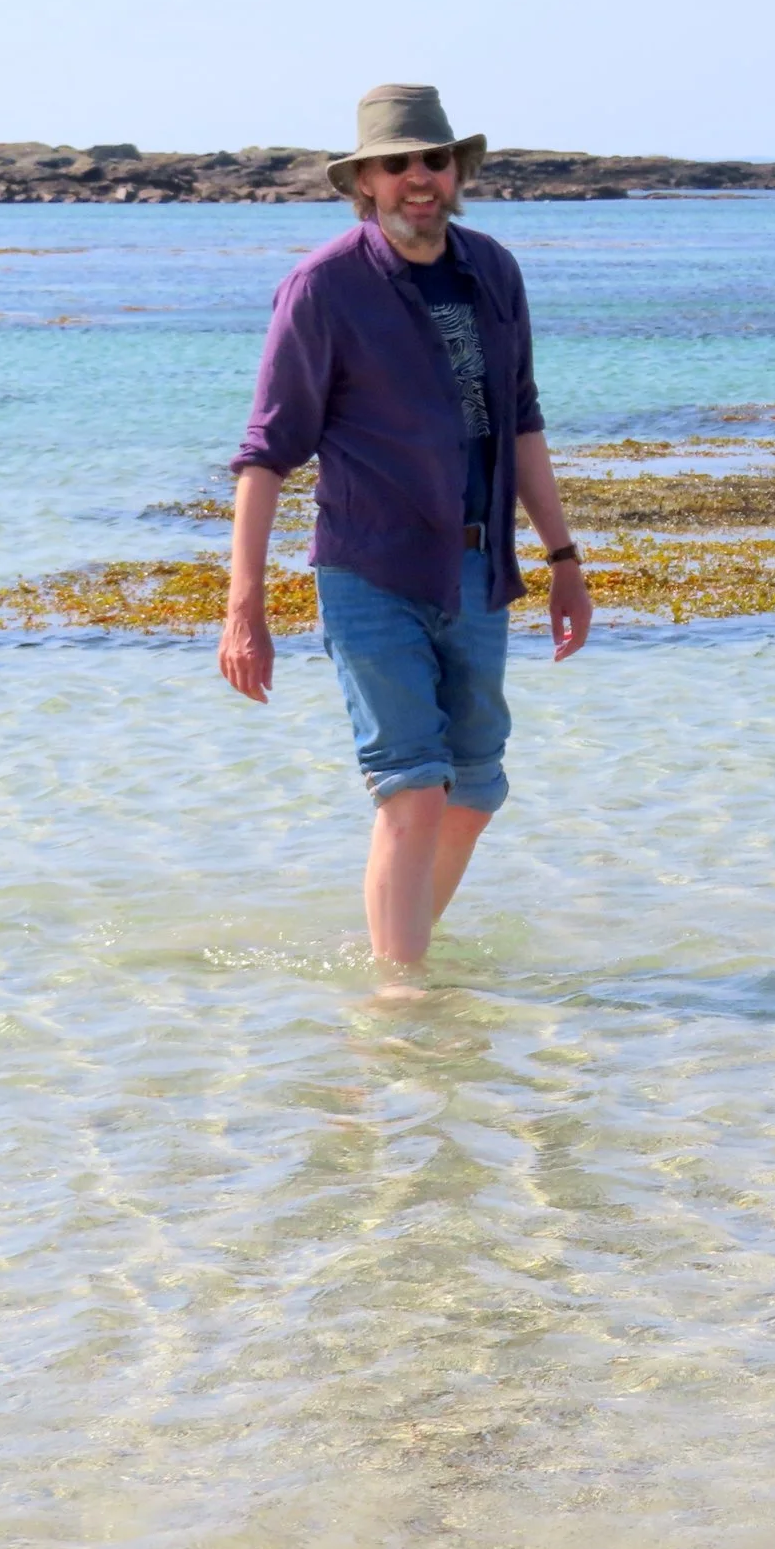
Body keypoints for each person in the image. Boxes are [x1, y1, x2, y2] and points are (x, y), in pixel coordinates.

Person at [218, 84, 592, 967]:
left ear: (457, 171)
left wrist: (564, 558)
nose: (418, 177)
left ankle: (394, 950)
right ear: (366, 182)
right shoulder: (322, 288)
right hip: (371, 570)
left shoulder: (492, 271)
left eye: (434, 159)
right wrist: (244, 605)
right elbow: (267, 453)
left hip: (478, 569)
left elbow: (522, 420)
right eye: (397, 164)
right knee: (413, 786)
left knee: (477, 788)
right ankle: (398, 998)